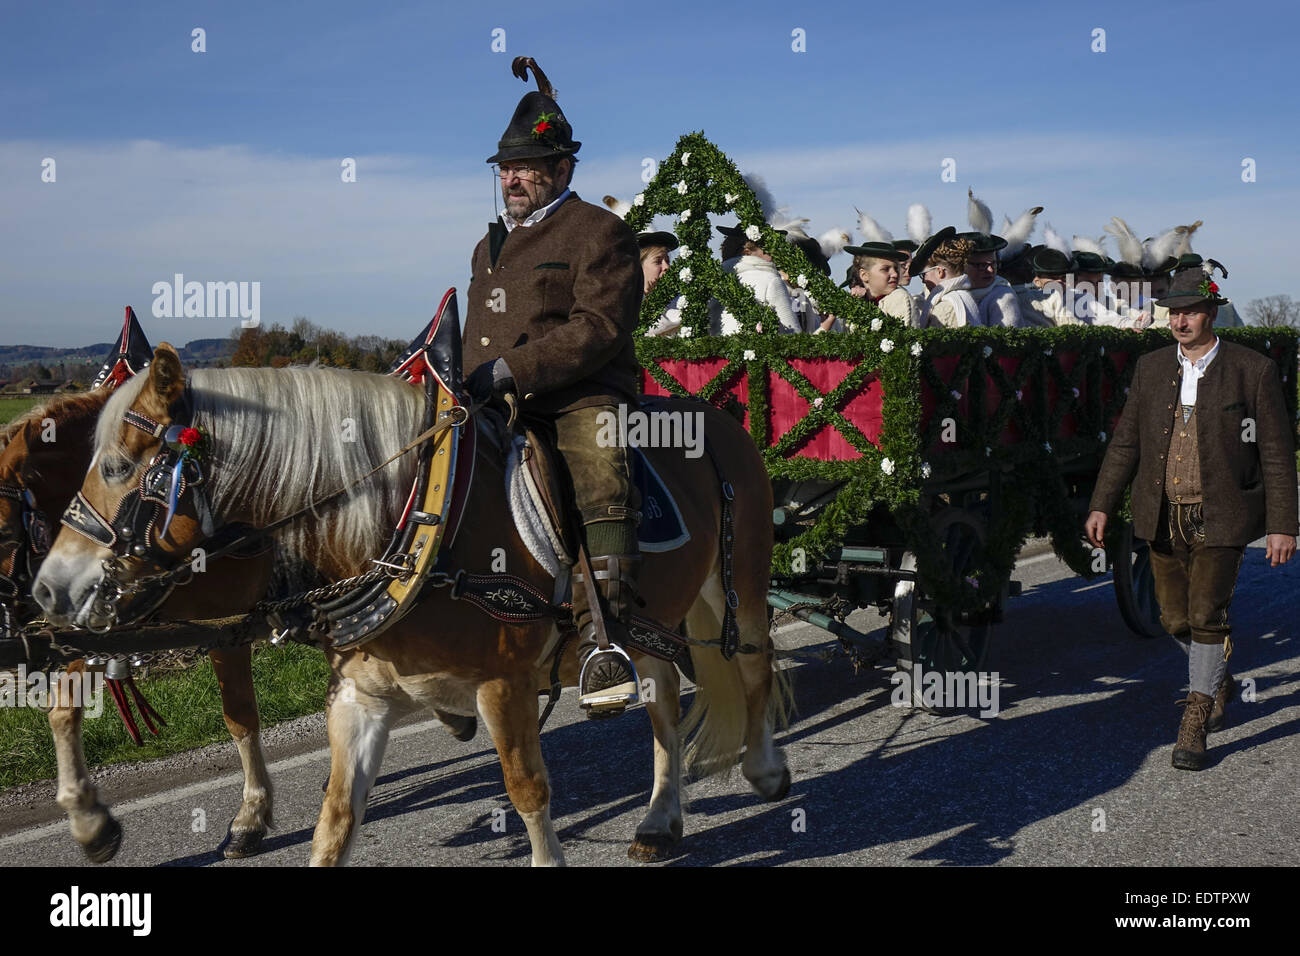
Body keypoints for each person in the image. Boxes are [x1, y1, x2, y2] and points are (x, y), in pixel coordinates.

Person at [462, 58, 645, 717]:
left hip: (583, 395)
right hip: (493, 399)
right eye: (505, 167)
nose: (510, 177)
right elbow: (479, 335)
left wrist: (512, 372)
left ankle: (604, 642)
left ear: (562, 170)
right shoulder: (488, 248)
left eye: (527, 166)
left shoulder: (602, 232)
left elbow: (598, 328)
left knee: (600, 468)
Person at [1085, 269, 1297, 770]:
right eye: (1173, 312)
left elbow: (1276, 452)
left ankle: (1195, 719)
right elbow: (1126, 443)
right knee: (1173, 618)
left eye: (1190, 311)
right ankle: (1215, 675)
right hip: (1161, 514)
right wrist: (1100, 502)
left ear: (1211, 313)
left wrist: (1283, 523)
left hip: (1222, 514)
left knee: (1206, 615)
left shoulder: (1254, 369)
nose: (1180, 320)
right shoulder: (1151, 368)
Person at [710, 226, 800, 334]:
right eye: (767, 251)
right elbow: (793, 335)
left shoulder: (712, 284)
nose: (772, 257)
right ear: (746, 253)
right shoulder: (770, 280)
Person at [842, 240, 919, 325]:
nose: (895, 274)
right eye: (885, 269)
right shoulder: (860, 304)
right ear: (864, 275)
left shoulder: (899, 298)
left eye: (896, 269)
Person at [912, 229, 978, 328]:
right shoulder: (967, 297)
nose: (924, 280)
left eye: (924, 274)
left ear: (940, 272)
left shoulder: (944, 307)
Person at [638, 230, 685, 336]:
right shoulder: (625, 305)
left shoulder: (681, 302)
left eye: (667, 261)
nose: (666, 267)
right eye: (658, 261)